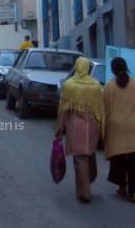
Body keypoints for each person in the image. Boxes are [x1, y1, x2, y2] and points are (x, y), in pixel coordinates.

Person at [55, 57, 104, 203]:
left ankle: (84, 192)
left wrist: (59, 128)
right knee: (89, 155)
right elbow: (101, 110)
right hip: (93, 126)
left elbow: (64, 109)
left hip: (77, 126)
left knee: (80, 160)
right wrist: (102, 130)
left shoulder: (70, 85)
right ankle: (87, 183)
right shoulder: (95, 86)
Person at [104, 57, 135, 203]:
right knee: (133, 160)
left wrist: (103, 130)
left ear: (113, 70)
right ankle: (134, 192)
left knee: (118, 159)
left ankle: (122, 188)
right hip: (132, 126)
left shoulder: (109, 87)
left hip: (116, 127)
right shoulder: (134, 84)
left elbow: (106, 110)